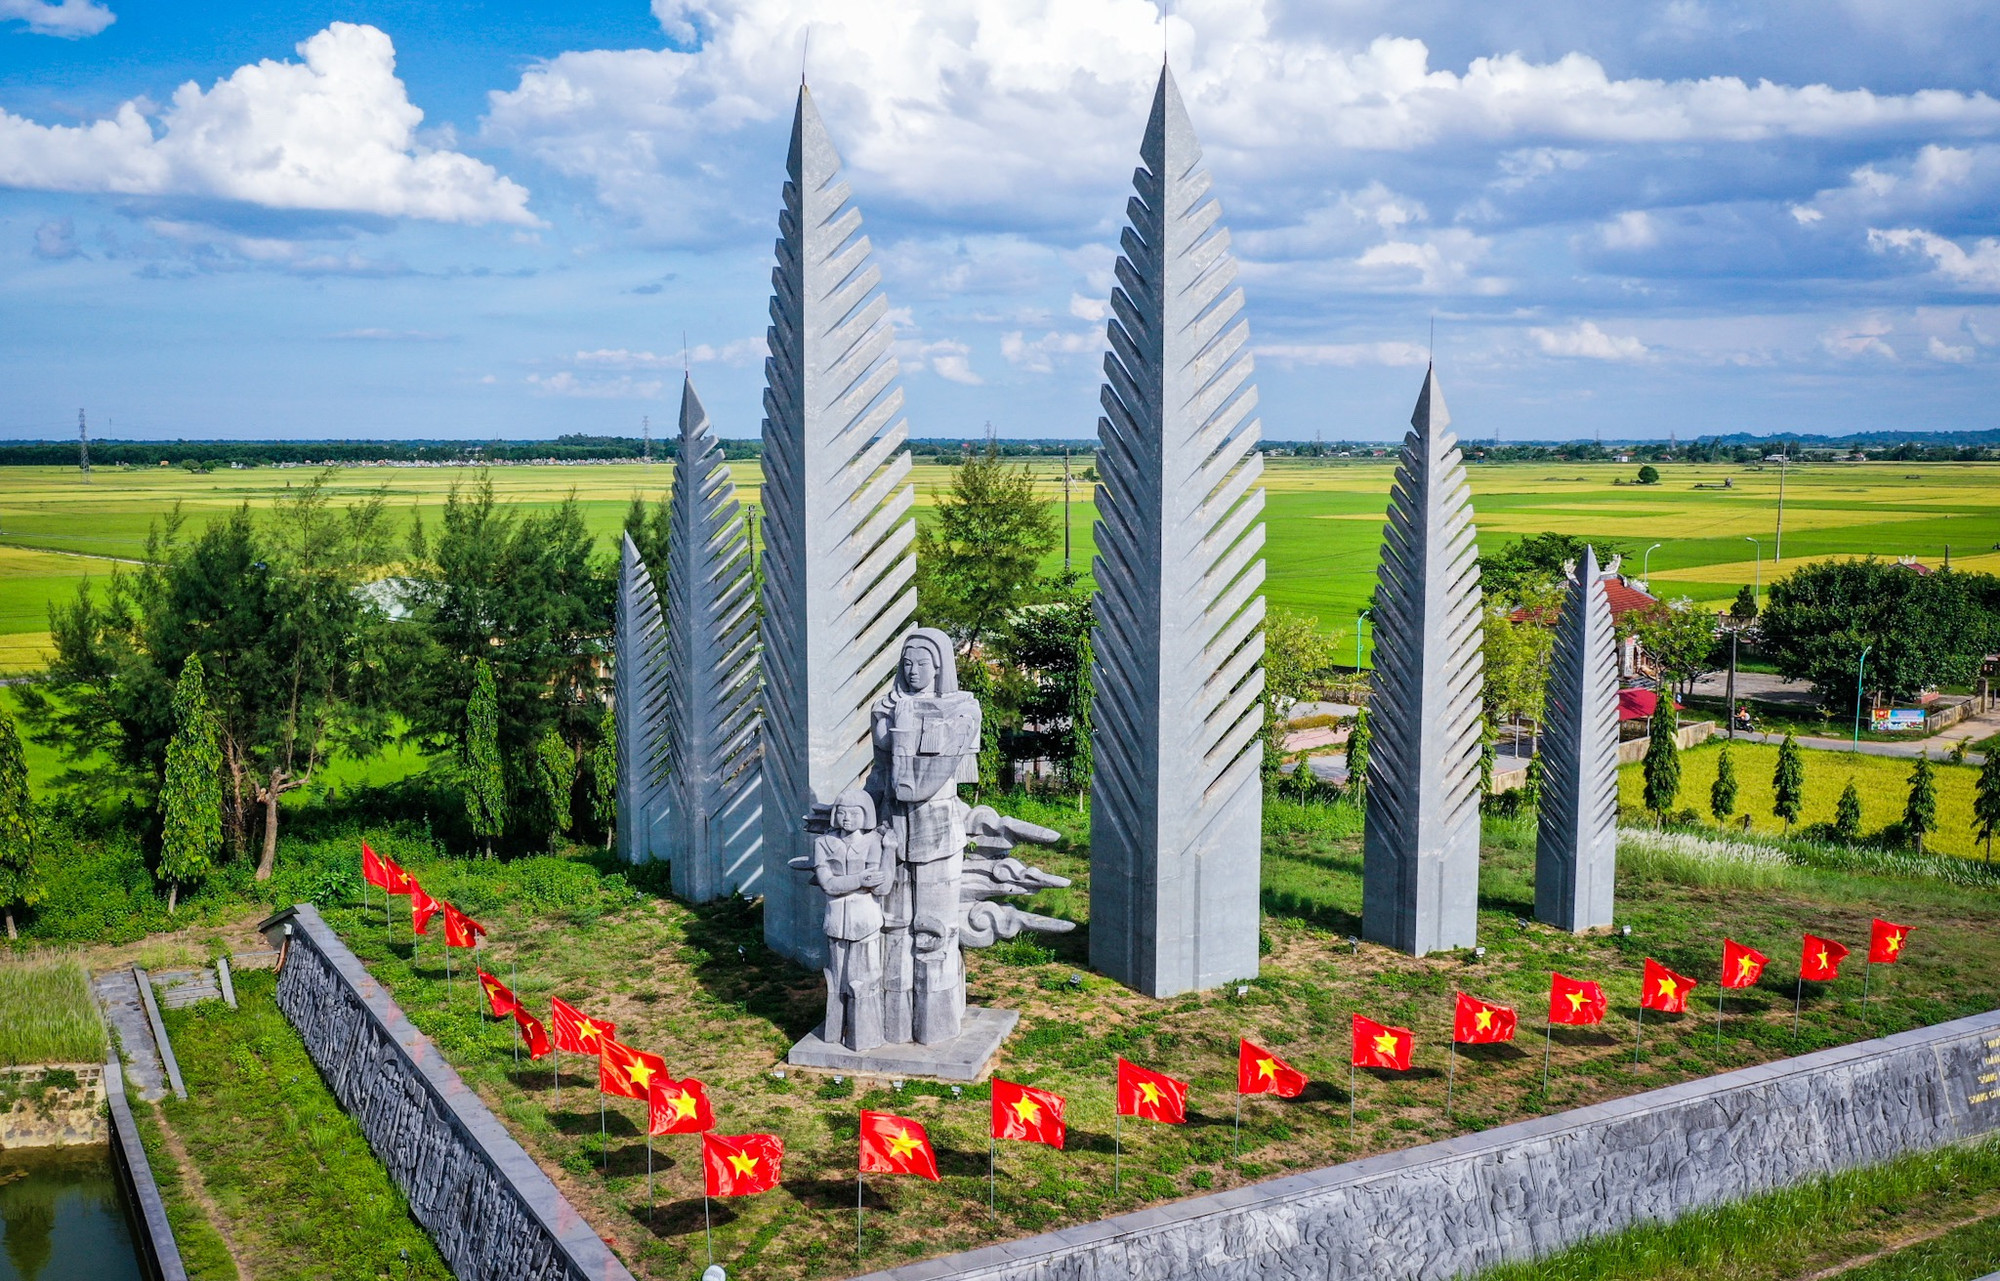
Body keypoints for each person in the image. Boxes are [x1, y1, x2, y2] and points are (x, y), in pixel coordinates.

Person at [871, 628, 981, 1045]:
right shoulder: (886, 707)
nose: (913, 670)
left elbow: (917, 784)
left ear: (940, 666)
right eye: (907, 663)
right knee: (893, 928)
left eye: (922, 662)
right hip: (893, 831)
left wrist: (902, 728)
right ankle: (893, 1025)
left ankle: (934, 1024)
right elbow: (882, 777)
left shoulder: (962, 710)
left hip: (937, 830)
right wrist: (859, 811)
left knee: (933, 930)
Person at [808, 789, 891, 1051]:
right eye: (841, 812)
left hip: (865, 922)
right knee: (836, 979)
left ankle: (865, 1035)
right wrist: (858, 881)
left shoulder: (873, 841)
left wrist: (889, 851)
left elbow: (881, 887)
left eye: (854, 813)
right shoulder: (823, 843)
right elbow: (828, 883)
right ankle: (834, 1031)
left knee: (865, 978)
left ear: (865, 815)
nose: (847, 818)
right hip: (836, 921)